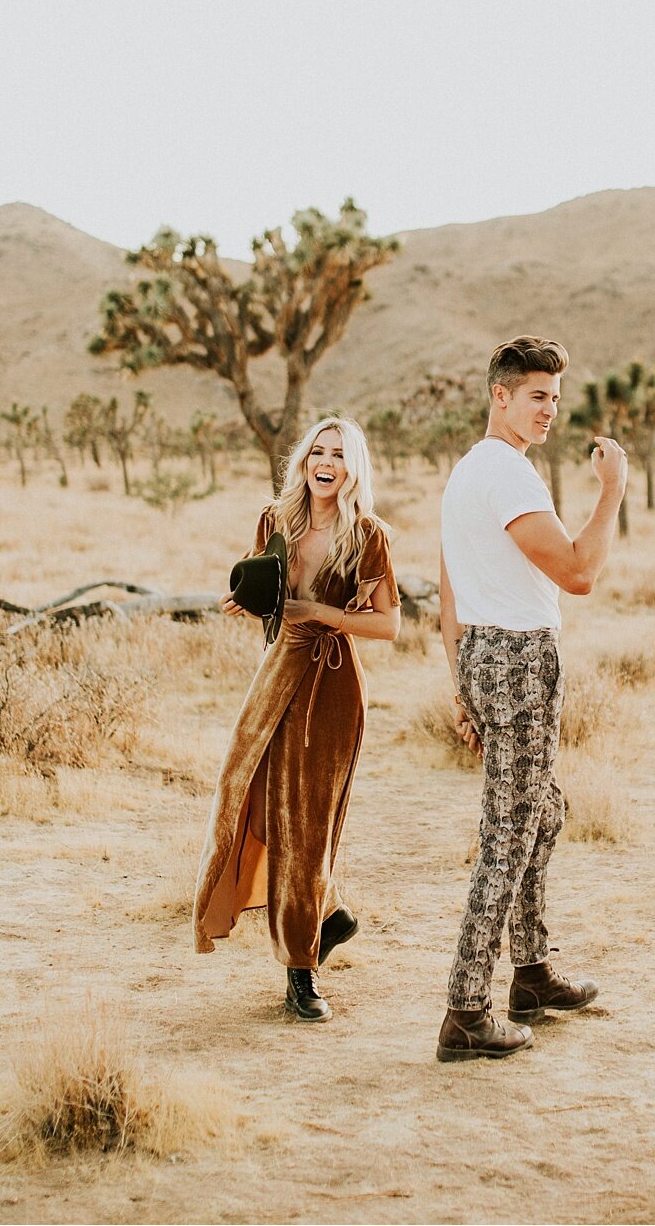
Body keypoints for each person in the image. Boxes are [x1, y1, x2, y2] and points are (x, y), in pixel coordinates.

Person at [435, 336, 629, 1062]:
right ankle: (464, 1009)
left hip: (486, 652)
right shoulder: (508, 476)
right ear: (501, 397)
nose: (549, 409)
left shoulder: (465, 475)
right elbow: (579, 572)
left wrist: (461, 679)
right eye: (537, 396)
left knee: (541, 811)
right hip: (519, 659)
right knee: (509, 834)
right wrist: (611, 491)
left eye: (554, 397)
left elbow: (450, 589)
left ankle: (533, 972)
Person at [193, 417, 400, 1023]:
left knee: (305, 823)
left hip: (332, 685)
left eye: (339, 453)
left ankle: (300, 970)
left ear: (353, 466)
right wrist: (244, 601)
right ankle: (328, 912)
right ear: (304, 459)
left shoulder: (368, 535)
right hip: (277, 669)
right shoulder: (274, 521)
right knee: (250, 799)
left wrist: (320, 612)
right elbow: (265, 593)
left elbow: (388, 624)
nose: (326, 461)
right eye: (318, 450)